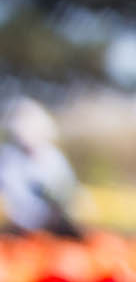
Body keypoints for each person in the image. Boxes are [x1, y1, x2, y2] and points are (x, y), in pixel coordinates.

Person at [0, 99, 79, 235]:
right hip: (19, 226)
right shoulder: (9, 158)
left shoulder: (53, 158)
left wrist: (56, 212)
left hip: (51, 225)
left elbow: (67, 193)